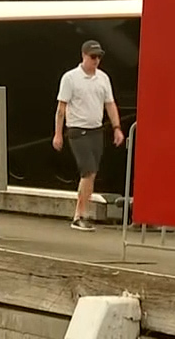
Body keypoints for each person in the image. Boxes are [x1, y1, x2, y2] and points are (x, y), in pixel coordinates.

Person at [52, 39, 124, 231]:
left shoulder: (103, 78)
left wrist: (117, 127)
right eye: (93, 57)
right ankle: (79, 215)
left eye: (99, 57)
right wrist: (58, 134)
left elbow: (110, 103)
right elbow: (61, 108)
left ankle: (83, 212)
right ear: (83, 56)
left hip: (96, 130)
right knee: (88, 171)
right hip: (77, 129)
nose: (96, 60)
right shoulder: (70, 78)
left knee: (92, 174)